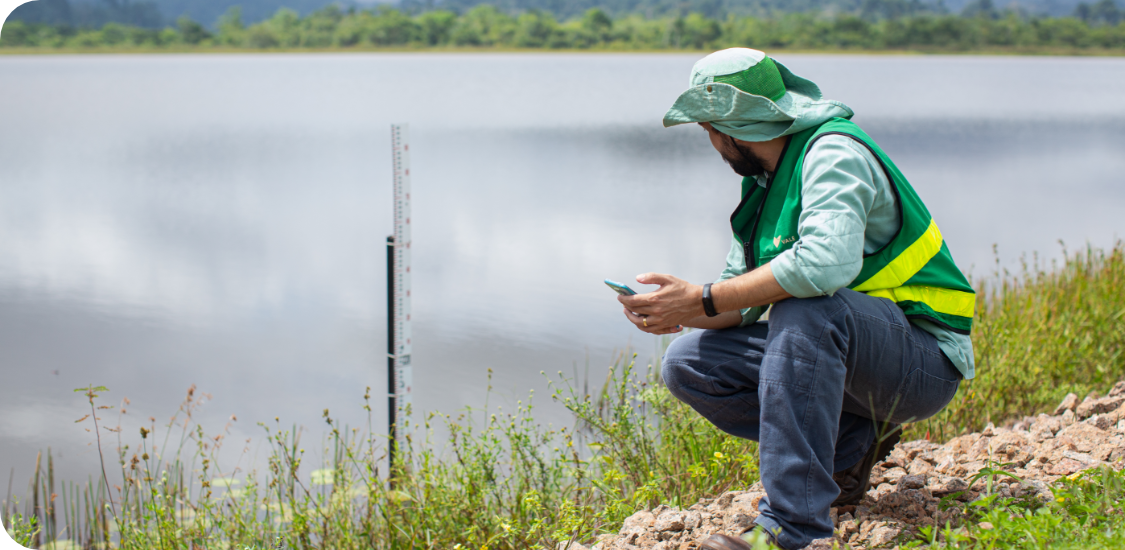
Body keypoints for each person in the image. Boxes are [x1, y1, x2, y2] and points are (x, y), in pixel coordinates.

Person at [616, 48, 975, 550]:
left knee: (807, 306)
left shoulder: (832, 153)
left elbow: (825, 266)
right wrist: (680, 309)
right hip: (857, 356)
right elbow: (740, 301)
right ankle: (851, 445)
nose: (711, 143)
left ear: (732, 128)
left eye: (708, 130)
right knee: (689, 364)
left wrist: (705, 295)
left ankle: (791, 528)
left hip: (923, 362)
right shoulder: (764, 186)